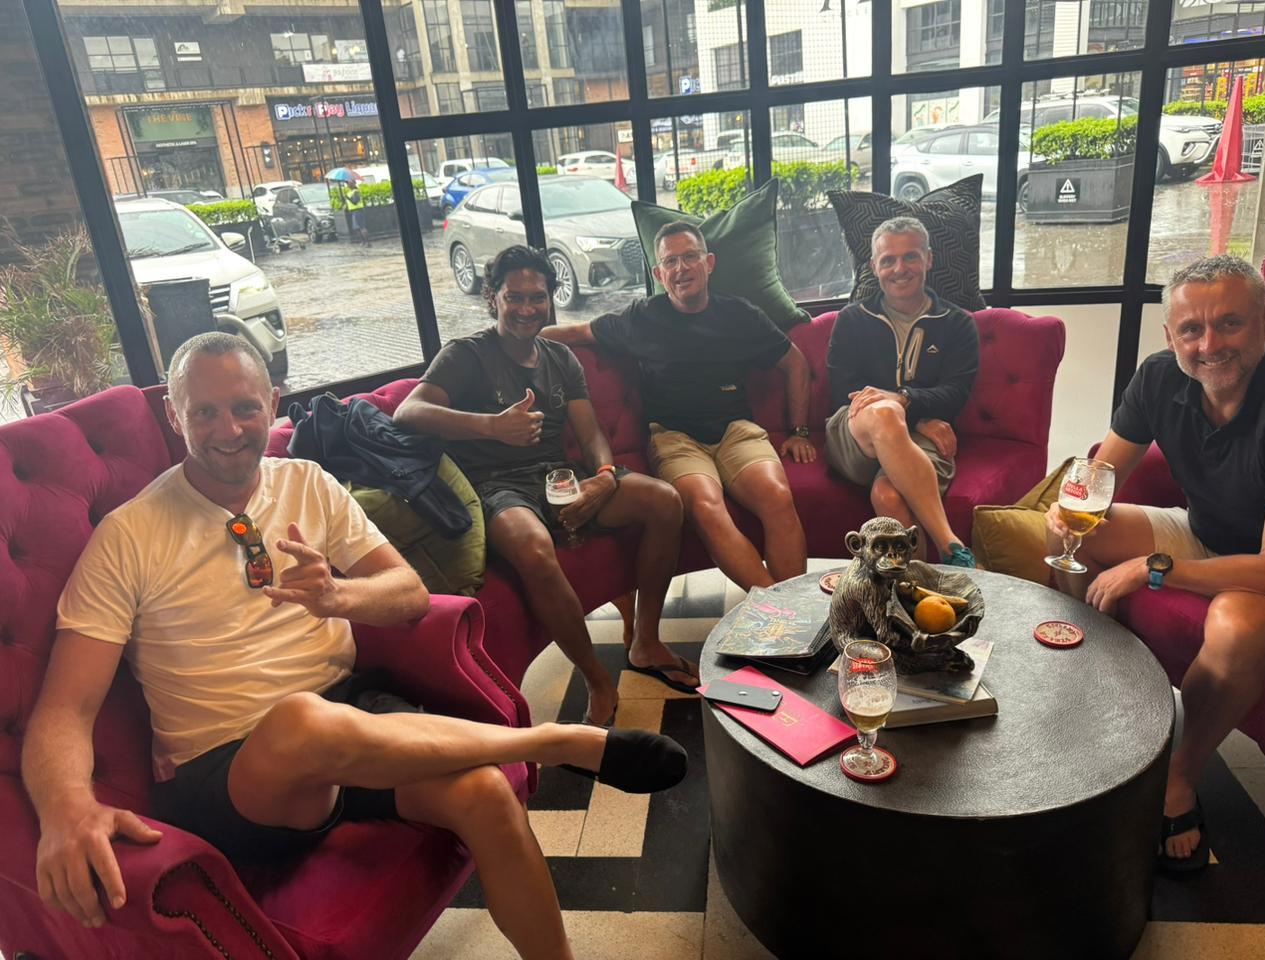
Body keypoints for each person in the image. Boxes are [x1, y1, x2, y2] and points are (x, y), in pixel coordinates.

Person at [21, 332, 685, 960]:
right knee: (300, 722)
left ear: (272, 403)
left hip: (352, 723)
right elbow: (65, 708)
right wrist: (65, 807)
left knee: (486, 795)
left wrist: (338, 597)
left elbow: (408, 593)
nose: (229, 430)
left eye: (246, 408)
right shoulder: (128, 536)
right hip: (235, 774)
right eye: (206, 412)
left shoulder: (306, 483)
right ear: (174, 415)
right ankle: (554, 742)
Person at [1044, 254, 1265, 874]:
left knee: (1237, 624)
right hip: (1203, 531)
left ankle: (1179, 776)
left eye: (1230, 324)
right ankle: (1076, 679)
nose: (1210, 345)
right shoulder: (1157, 377)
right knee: (1078, 535)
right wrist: (1070, 509)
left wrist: (1156, 569)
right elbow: (1102, 475)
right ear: (1170, 336)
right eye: (1192, 330)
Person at [393, 246, 692, 727]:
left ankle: (646, 642)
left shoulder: (559, 357)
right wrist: (491, 426)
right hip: (495, 487)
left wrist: (603, 477)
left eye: (537, 297)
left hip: (557, 476)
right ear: (492, 297)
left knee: (665, 501)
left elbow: (591, 433)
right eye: (514, 297)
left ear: (551, 299)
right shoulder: (466, 355)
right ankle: (597, 679)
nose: (527, 308)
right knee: (533, 547)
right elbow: (408, 412)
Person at [541, 221, 816, 591]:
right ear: (659, 274)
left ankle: (784, 616)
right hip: (674, 438)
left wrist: (799, 431)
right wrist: (509, 341)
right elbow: (576, 332)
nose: (681, 268)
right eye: (670, 261)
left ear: (709, 262)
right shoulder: (641, 317)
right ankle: (780, 614)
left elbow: (795, 363)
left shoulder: (740, 314)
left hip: (737, 431)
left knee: (779, 498)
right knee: (705, 507)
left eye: (690, 257)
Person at [825, 216, 979, 566]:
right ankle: (950, 544)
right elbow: (843, 390)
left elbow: (956, 392)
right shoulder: (851, 319)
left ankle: (915, 590)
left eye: (910, 256)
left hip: (922, 442)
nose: (900, 269)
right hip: (854, 435)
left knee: (888, 495)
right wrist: (913, 413)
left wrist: (905, 402)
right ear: (874, 267)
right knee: (884, 411)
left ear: (929, 259)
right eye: (888, 260)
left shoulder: (957, 324)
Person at [342, 181, 370, 247]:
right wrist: (345, 205)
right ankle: (363, 242)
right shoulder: (349, 192)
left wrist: (347, 197)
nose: (348, 185)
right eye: (347, 184)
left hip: (358, 210)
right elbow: (349, 202)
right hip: (353, 211)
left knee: (361, 227)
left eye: (349, 183)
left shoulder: (356, 192)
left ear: (354, 184)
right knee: (356, 228)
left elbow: (355, 202)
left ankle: (367, 242)